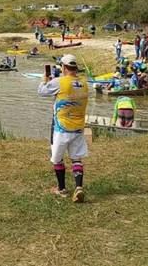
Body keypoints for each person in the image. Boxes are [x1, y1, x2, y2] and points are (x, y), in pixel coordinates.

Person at [38, 55, 89, 203]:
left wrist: (44, 79)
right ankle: (78, 187)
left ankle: (61, 189)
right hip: (78, 127)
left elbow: (41, 91)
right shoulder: (84, 83)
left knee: (57, 158)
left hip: (61, 127)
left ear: (64, 67)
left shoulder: (59, 82)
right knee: (76, 158)